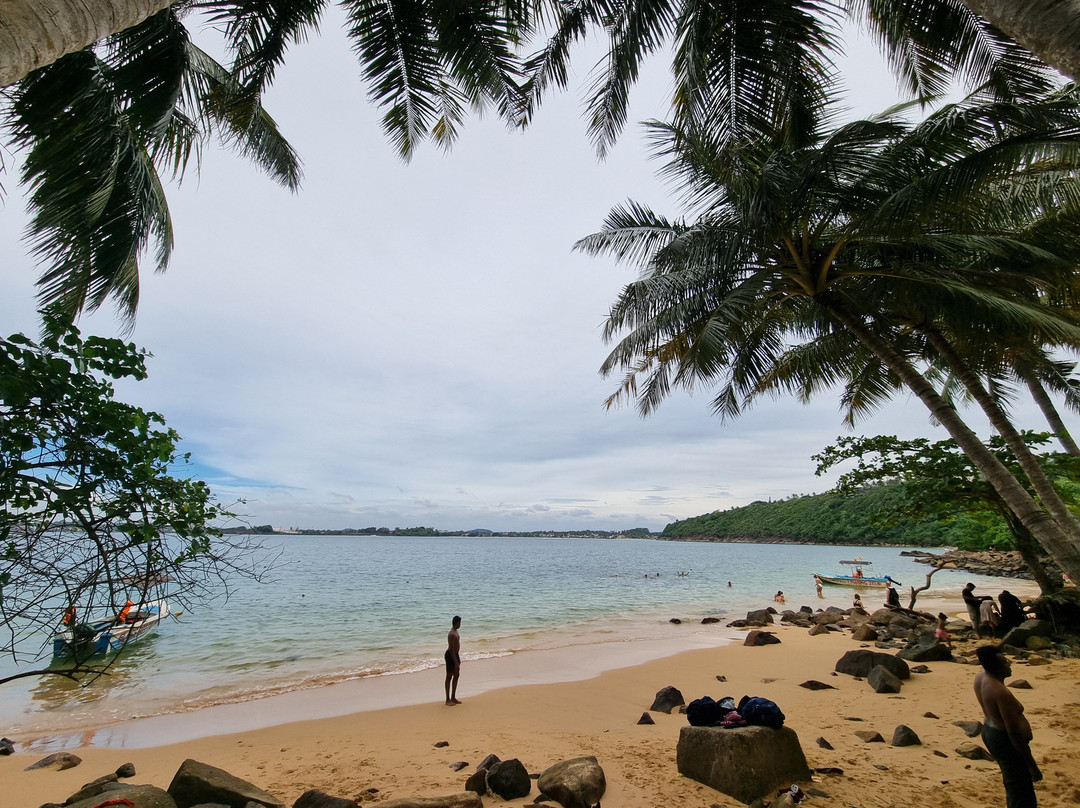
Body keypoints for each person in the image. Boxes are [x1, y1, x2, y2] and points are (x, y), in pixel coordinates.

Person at [974, 644, 1042, 807]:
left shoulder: (980, 678)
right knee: (1020, 789)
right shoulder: (1000, 692)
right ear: (996, 667)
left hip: (990, 731)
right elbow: (1014, 733)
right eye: (1005, 662)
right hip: (1004, 740)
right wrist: (1032, 766)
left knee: (1013, 782)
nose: (1009, 663)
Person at [444, 615, 462, 706]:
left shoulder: (456, 632)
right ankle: (447, 699)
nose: (460, 624)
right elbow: (451, 650)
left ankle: (453, 697)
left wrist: (458, 659)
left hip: (456, 655)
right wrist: (455, 662)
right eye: (459, 622)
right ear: (456, 623)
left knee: (457, 675)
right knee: (449, 676)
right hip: (451, 656)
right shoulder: (452, 634)